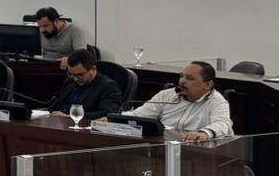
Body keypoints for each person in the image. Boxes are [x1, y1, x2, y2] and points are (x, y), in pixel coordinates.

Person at [100, 61, 233, 141]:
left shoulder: (216, 101)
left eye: (190, 78)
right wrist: (114, 119)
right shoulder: (167, 95)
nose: (182, 81)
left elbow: (223, 124)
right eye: (181, 76)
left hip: (196, 152)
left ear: (207, 85)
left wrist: (204, 133)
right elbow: (140, 114)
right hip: (162, 147)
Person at [50, 49, 121, 121]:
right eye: (71, 74)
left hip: (81, 125)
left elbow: (106, 113)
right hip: (56, 122)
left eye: (79, 75)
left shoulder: (108, 86)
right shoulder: (70, 81)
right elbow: (54, 105)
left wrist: (69, 117)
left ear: (93, 69)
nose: (75, 79)